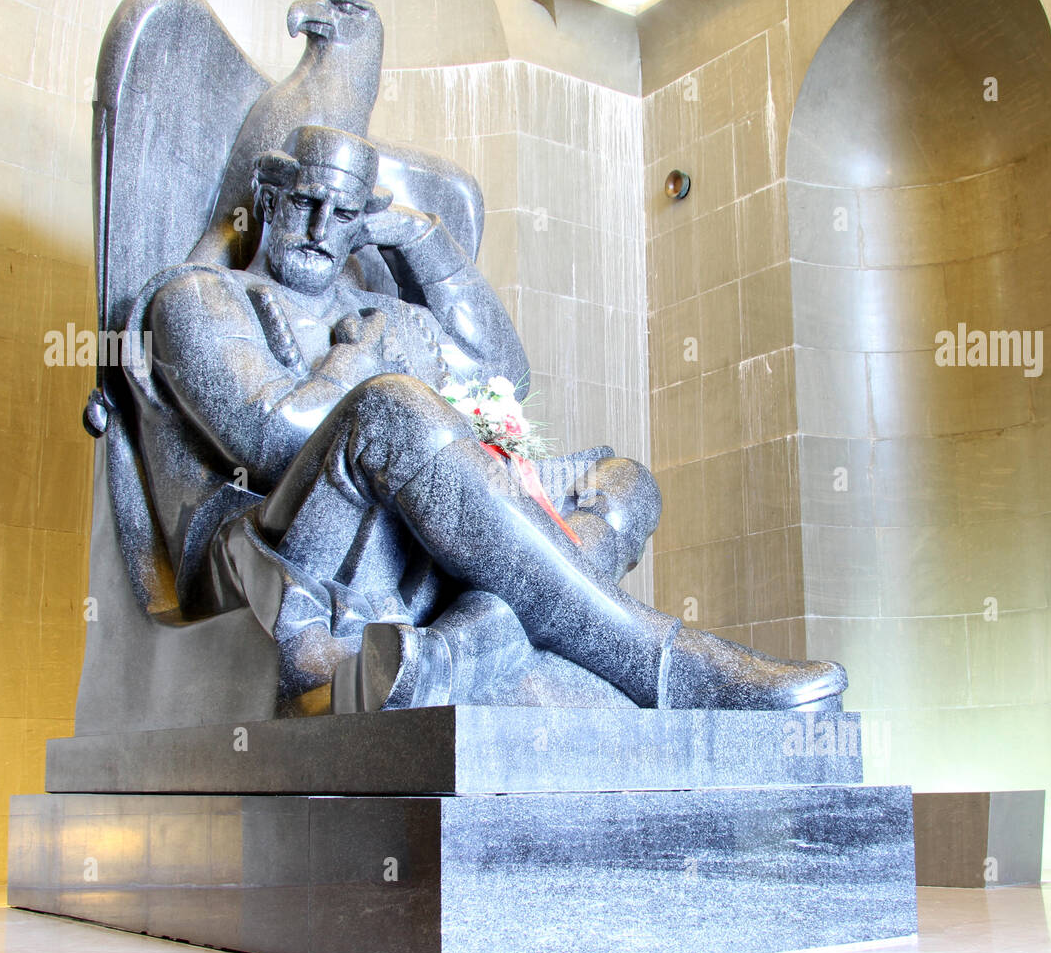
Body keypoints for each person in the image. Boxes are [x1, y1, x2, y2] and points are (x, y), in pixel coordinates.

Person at [127, 124, 846, 713]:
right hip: (270, 549)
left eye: (344, 214)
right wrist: (358, 361)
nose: (320, 228)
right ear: (268, 198)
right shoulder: (197, 297)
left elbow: (507, 376)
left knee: (621, 480)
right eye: (303, 204)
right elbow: (267, 440)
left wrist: (420, 237)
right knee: (392, 407)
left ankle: (456, 652)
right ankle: (666, 664)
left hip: (396, 534)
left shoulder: (388, 310)